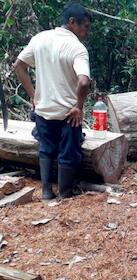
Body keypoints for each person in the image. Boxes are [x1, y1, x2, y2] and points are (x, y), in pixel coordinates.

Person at [14, 2, 91, 200]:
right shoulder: (77, 48)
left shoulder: (40, 39)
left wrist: (33, 95)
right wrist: (78, 107)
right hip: (68, 114)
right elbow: (83, 82)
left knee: (46, 148)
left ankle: (47, 192)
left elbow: (19, 66)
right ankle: (65, 194)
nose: (86, 31)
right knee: (69, 152)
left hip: (43, 111)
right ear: (72, 22)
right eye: (85, 26)